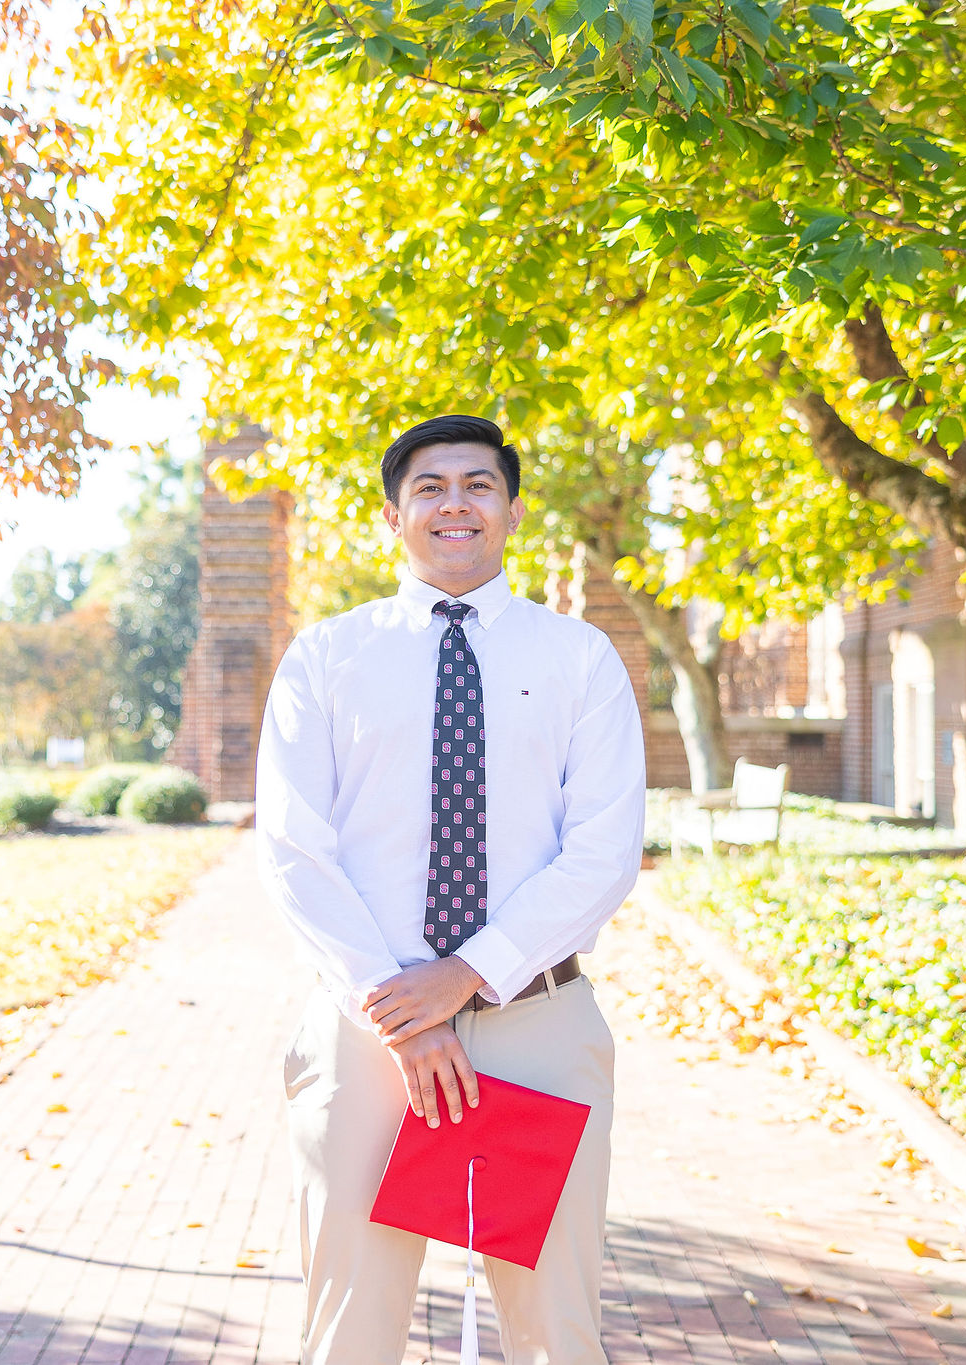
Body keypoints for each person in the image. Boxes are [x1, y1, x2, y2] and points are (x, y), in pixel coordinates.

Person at [256, 413, 647, 1364]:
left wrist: (466, 975)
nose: (455, 502)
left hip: (536, 1023)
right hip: (370, 1030)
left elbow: (605, 849)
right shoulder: (325, 658)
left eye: (479, 484)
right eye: (430, 486)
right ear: (394, 517)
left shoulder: (579, 659)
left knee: (554, 1325)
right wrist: (407, 1010)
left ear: (512, 511)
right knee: (350, 1323)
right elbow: (293, 847)